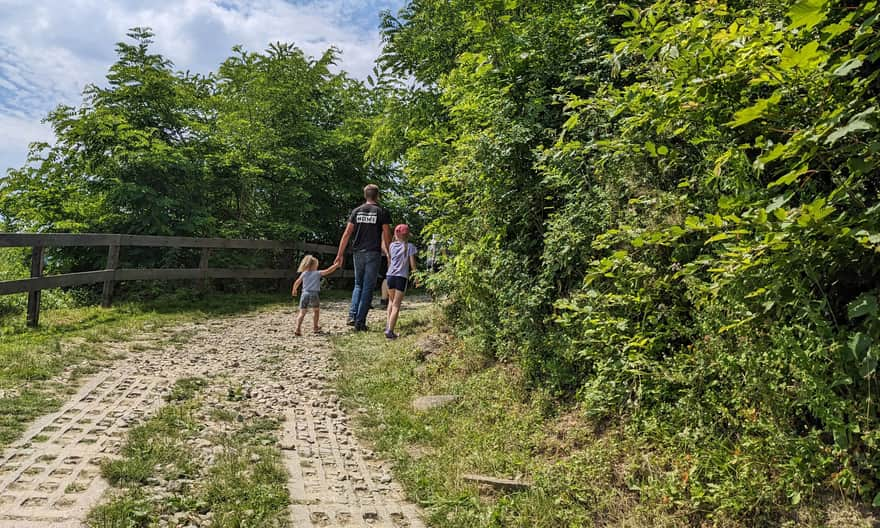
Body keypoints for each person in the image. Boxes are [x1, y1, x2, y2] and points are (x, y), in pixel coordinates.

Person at [334, 184, 392, 331]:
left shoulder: (356, 211)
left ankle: (352, 316)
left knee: (358, 284)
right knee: (368, 287)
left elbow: (347, 233)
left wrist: (339, 254)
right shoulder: (381, 212)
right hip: (373, 252)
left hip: (358, 252)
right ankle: (360, 322)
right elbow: (386, 234)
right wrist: (390, 253)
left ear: (365, 195)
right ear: (377, 196)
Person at [291, 255, 340, 336]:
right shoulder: (317, 273)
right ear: (313, 265)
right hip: (314, 294)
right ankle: (315, 327)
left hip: (304, 294)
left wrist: (294, 289)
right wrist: (336, 265)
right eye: (316, 265)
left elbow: (297, 282)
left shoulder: (304, 273)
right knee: (316, 311)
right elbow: (328, 270)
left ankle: (298, 328)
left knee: (302, 312)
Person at [384, 224, 418, 339]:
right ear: (407, 235)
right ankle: (390, 331)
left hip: (390, 276)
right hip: (401, 277)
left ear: (395, 234)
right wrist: (417, 277)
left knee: (391, 302)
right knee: (396, 305)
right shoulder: (410, 246)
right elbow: (412, 265)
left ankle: (388, 326)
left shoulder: (392, 246)